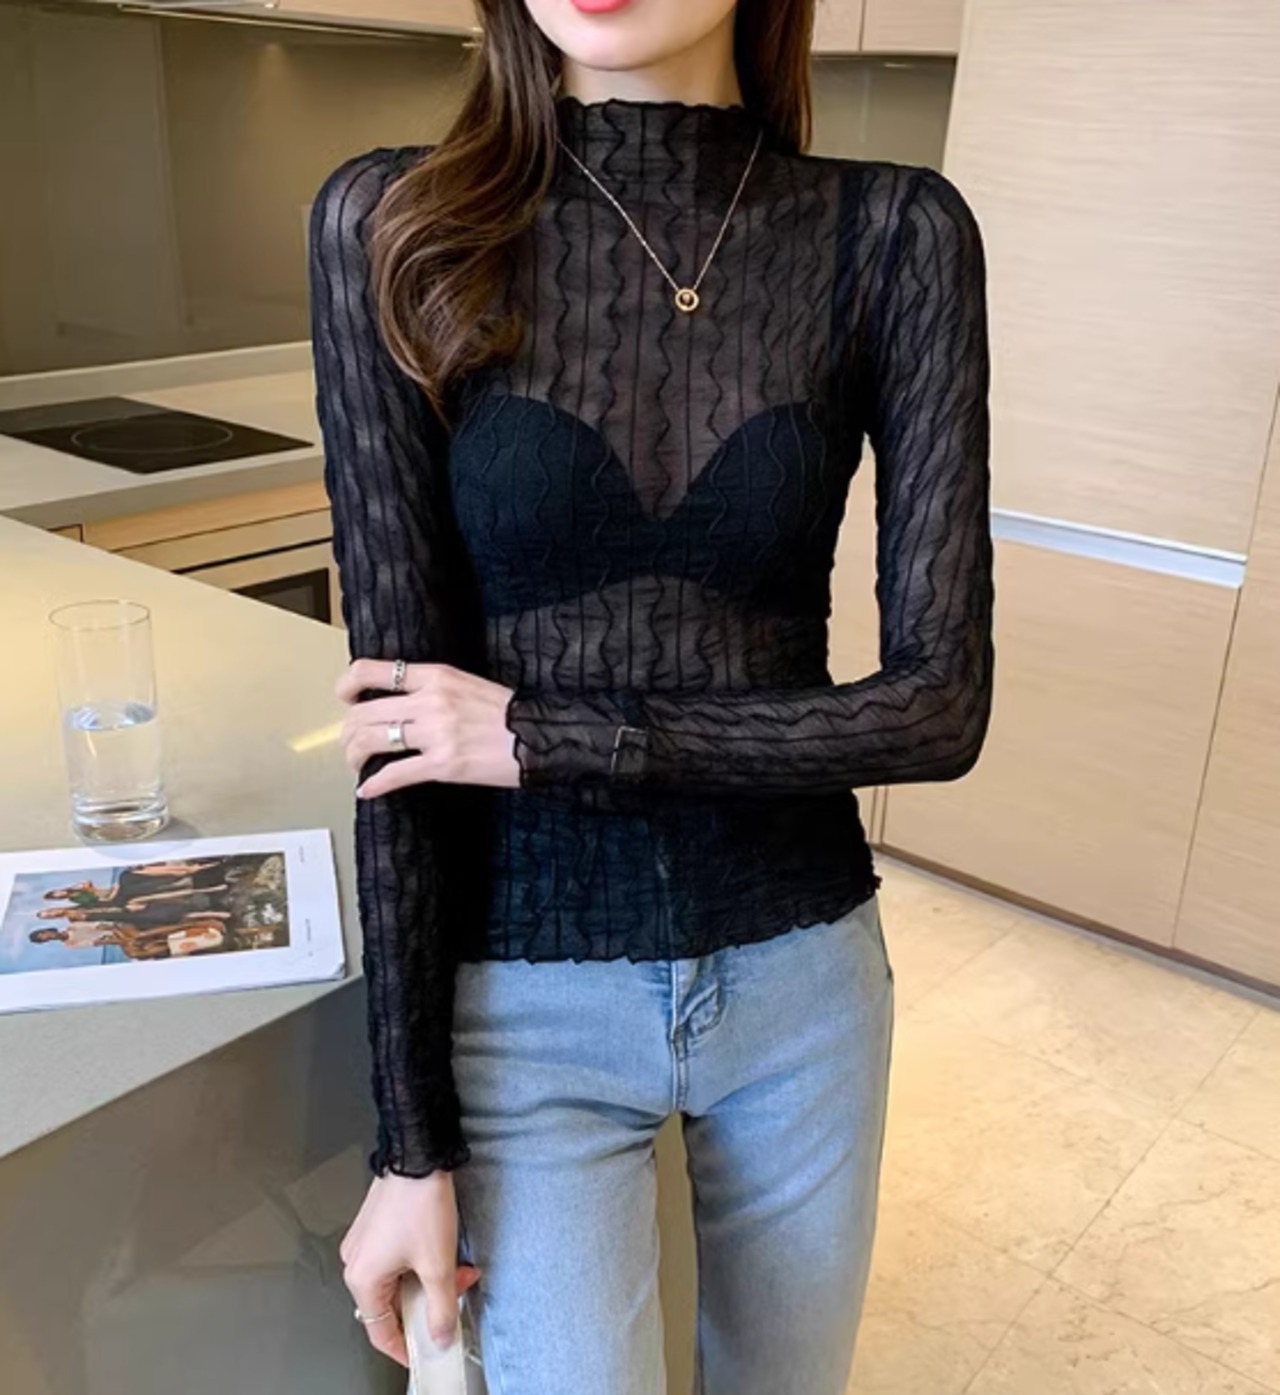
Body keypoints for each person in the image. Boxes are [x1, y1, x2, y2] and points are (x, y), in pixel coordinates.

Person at [309, 2, 993, 1390]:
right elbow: (401, 733)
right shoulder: (393, 221)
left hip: (803, 979)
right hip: (523, 1000)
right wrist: (408, 1147)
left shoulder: (896, 232)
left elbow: (939, 709)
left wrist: (546, 734)